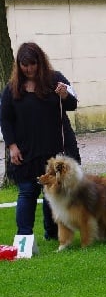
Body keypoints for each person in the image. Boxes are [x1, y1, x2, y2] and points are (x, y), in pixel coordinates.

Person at [0, 42, 81, 239]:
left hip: (56, 147)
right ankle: (24, 237)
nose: (29, 69)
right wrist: (12, 146)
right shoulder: (12, 89)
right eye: (24, 65)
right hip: (27, 150)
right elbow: (5, 119)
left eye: (32, 64)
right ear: (18, 65)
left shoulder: (55, 79)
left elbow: (72, 104)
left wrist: (65, 94)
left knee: (53, 193)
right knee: (27, 192)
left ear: (40, 62)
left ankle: (52, 233)